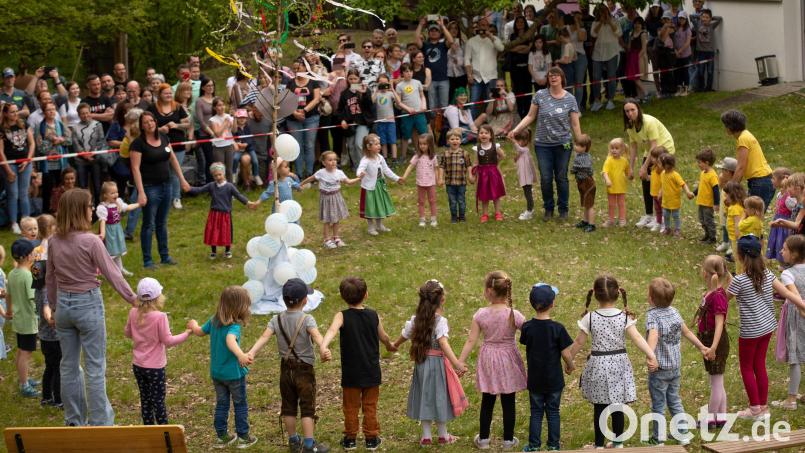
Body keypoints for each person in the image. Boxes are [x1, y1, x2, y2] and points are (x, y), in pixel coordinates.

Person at [47, 188, 137, 425]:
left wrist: (54, 306)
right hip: (87, 304)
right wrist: (134, 299)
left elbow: (50, 277)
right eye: (88, 206)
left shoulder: (54, 241)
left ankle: (74, 420)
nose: (92, 211)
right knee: (95, 367)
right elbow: (113, 274)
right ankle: (100, 423)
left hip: (64, 307)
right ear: (79, 210)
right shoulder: (91, 241)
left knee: (68, 365)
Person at [567, 275, 658, 448]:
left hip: (598, 366)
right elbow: (638, 338)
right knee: (618, 406)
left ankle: (599, 445)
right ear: (618, 293)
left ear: (594, 294)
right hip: (619, 366)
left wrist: (568, 359)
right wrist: (651, 355)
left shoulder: (591, 317)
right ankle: (618, 444)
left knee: (599, 408)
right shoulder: (624, 317)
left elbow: (579, 342)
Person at [246, 279, 331, 453]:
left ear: (283, 299)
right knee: (307, 408)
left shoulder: (276, 320)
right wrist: (323, 349)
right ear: (305, 300)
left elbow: (263, 337)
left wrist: (252, 352)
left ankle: (293, 441)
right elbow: (317, 336)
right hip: (304, 370)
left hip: (285, 369)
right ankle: (309, 445)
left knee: (288, 406)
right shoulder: (307, 319)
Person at [727, 235, 804, 419]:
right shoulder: (768, 275)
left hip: (750, 332)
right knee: (759, 365)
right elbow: (786, 292)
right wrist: (802, 304)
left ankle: (754, 410)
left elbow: (723, 298)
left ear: (740, 256)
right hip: (767, 327)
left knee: (746, 367)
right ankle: (764, 408)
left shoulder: (739, 280)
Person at [320, 277, 396, 451]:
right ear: (366, 295)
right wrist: (389, 345)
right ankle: (371, 439)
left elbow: (332, 330)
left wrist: (324, 346)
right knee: (370, 406)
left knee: (350, 407)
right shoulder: (373, 315)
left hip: (351, 373)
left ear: (342, 297)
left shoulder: (342, 316)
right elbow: (383, 336)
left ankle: (350, 439)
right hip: (371, 371)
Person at [391, 280, 468, 447]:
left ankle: (426, 437)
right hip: (438, 366)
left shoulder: (415, 320)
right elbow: (443, 343)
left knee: (424, 396)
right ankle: (443, 435)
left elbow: (404, 335)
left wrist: (394, 345)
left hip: (421, 364)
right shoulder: (441, 321)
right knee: (439, 397)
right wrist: (456, 363)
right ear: (442, 299)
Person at [457, 271, 527, 450]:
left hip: (489, 359)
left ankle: (484, 440)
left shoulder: (481, 314)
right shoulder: (515, 315)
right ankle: (508, 441)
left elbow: (471, 340)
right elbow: (529, 334)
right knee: (508, 401)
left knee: (487, 400)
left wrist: (460, 361)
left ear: (488, 291)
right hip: (508, 358)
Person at [187, 286, 257, 449]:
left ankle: (222, 436)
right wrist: (241, 355)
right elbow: (230, 340)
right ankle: (243, 437)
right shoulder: (233, 327)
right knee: (240, 404)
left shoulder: (214, 320)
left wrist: (193, 324)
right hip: (233, 375)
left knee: (222, 404)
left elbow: (199, 332)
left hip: (217, 374)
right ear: (239, 307)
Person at [510, 67, 582, 221]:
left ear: (562, 78)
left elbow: (575, 124)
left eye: (556, 75)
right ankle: (548, 208)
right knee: (546, 177)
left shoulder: (570, 99)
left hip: (564, 144)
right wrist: (516, 130)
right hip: (542, 144)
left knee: (561, 177)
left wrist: (580, 141)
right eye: (550, 75)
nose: (553, 77)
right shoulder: (540, 95)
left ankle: (563, 210)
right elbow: (530, 116)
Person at [644, 278, 707, 445]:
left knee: (658, 403)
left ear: (650, 298)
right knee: (674, 399)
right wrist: (701, 347)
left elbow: (653, 335)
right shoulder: (675, 312)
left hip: (660, 369)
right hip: (675, 367)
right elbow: (686, 332)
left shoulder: (652, 315)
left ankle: (658, 439)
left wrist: (651, 356)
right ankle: (683, 433)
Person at [124, 278, 191, 425]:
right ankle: (164, 431)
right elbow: (168, 341)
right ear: (158, 297)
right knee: (158, 401)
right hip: (155, 368)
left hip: (138, 365)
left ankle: (149, 429)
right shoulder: (160, 317)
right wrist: (187, 333)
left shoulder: (133, 312)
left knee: (145, 399)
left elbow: (128, 333)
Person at [130, 111, 191, 269]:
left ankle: (165, 256)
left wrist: (182, 179)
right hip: (150, 188)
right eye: (145, 122)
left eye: (151, 121)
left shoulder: (164, 138)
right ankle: (148, 260)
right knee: (148, 224)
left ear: (155, 122)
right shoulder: (138, 144)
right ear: (141, 126)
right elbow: (135, 169)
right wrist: (141, 192)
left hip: (167, 185)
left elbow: (173, 159)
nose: (149, 124)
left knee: (162, 223)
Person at [519, 283, 574, 452]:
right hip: (554, 380)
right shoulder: (557, 329)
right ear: (552, 304)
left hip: (535, 379)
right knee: (553, 412)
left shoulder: (527, 327)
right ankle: (553, 445)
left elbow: (524, 341)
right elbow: (565, 353)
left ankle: (534, 445)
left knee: (535, 412)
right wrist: (570, 365)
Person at [623, 100, 675, 229]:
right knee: (645, 181)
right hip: (651, 151)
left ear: (638, 109)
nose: (630, 113)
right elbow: (633, 147)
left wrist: (644, 167)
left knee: (659, 181)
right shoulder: (630, 126)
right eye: (627, 111)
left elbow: (654, 145)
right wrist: (631, 168)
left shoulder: (649, 122)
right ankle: (649, 214)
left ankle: (662, 216)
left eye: (632, 110)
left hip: (664, 149)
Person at [188, 162, 255, 259]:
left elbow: (238, 195)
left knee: (226, 232)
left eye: (220, 174)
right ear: (213, 176)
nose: (218, 177)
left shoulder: (229, 186)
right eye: (215, 176)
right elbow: (200, 190)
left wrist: (248, 203)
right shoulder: (211, 186)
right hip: (214, 214)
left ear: (223, 174)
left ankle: (227, 250)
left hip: (225, 215)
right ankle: (213, 251)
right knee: (213, 232)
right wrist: (189, 188)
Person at [695, 255, 731, 428]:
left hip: (715, 342)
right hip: (709, 340)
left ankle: (709, 419)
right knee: (717, 380)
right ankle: (722, 417)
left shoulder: (717, 295)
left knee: (716, 382)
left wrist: (713, 347)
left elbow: (719, 324)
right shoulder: (711, 293)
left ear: (705, 273)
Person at [298, 152, 360, 249]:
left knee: (336, 219)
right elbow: (311, 178)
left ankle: (336, 237)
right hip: (326, 199)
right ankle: (326, 239)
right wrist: (301, 183)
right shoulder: (321, 173)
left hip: (336, 197)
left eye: (335, 159)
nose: (333, 162)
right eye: (330, 160)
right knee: (327, 220)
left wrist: (359, 178)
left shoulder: (339, 173)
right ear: (324, 162)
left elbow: (348, 182)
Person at [771, 235, 805, 410]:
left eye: (784, 249)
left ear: (794, 254)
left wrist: (801, 309)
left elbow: (794, 295)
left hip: (797, 317)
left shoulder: (787, 274)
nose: (781, 251)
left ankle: (791, 400)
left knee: (795, 357)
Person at [720, 110, 774, 210]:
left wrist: (731, 192)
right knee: (752, 218)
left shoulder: (743, 139)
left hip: (760, 182)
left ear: (731, 126)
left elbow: (740, 168)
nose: (725, 128)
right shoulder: (746, 135)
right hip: (763, 181)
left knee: (753, 219)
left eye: (725, 125)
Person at [7, 238, 40, 398]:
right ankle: (24, 384)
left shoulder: (12, 273)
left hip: (19, 318)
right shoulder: (27, 276)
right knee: (26, 353)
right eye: (33, 252)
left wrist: (8, 311)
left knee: (21, 351)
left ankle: (24, 378)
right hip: (28, 320)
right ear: (28, 256)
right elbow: (33, 297)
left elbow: (8, 295)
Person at [357, 134, 403, 236]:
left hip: (379, 185)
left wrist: (397, 178)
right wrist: (360, 174)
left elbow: (386, 170)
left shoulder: (380, 158)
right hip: (369, 187)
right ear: (369, 147)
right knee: (371, 207)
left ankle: (379, 225)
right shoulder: (365, 160)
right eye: (376, 144)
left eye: (379, 144)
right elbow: (360, 169)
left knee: (379, 205)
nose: (379, 146)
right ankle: (370, 227)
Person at [0, 102, 36, 233]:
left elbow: (31, 144)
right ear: (5, 113)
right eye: (12, 112)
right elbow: (0, 151)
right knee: (13, 193)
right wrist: (8, 170)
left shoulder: (24, 124)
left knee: (24, 192)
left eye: (17, 111)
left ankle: (26, 220)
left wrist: (27, 161)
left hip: (25, 162)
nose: (15, 114)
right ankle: (14, 223)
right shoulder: (2, 129)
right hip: (9, 163)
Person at [286, 59, 321, 179]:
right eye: (294, 69)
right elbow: (286, 100)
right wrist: (294, 112)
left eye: (298, 68)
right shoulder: (290, 83)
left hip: (311, 117)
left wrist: (304, 110)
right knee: (297, 146)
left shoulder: (313, 81)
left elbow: (317, 98)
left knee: (309, 145)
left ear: (305, 68)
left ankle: (310, 174)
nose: (296, 71)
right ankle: (299, 175)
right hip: (293, 119)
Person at [36, 101, 72, 214]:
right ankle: (47, 213)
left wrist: (61, 140)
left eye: (53, 109)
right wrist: (52, 142)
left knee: (61, 188)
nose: (51, 112)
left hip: (61, 163)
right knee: (47, 190)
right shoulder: (40, 127)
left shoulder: (60, 124)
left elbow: (69, 140)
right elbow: (40, 147)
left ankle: (63, 211)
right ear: (44, 112)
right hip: (47, 164)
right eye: (48, 110)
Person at [97, 181, 140, 276]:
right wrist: (103, 234)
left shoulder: (118, 203)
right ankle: (101, 270)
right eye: (112, 193)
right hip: (109, 232)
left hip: (117, 230)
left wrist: (139, 204)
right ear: (105, 195)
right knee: (110, 253)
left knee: (117, 251)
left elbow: (128, 207)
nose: (115, 194)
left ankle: (119, 269)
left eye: (116, 192)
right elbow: (103, 222)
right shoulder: (103, 207)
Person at [465, 18, 504, 117]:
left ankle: (490, 126)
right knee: (473, 102)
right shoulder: (471, 41)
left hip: (491, 77)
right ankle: (472, 126)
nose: (483, 27)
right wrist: (469, 75)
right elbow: (467, 59)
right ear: (478, 27)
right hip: (476, 78)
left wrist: (490, 36)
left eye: (485, 25)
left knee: (491, 102)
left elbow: (501, 48)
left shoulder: (494, 39)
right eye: (481, 25)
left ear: (488, 27)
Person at [70, 103, 106, 207]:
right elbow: (76, 144)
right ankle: (85, 206)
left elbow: (101, 141)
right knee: (83, 185)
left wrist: (93, 153)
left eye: (86, 113)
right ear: (78, 115)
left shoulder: (98, 125)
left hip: (96, 158)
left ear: (90, 112)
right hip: (81, 160)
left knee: (97, 185)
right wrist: (85, 156)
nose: (85, 115)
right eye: (82, 114)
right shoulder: (75, 128)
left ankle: (100, 206)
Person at [338, 69, 374, 171]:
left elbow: (370, 106)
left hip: (362, 122)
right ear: (347, 79)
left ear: (359, 79)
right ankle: (356, 165)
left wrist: (364, 94)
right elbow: (340, 110)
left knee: (359, 144)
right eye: (350, 79)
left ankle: (363, 167)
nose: (353, 81)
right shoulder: (344, 93)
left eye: (355, 78)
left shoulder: (364, 90)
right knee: (351, 146)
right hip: (350, 123)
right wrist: (342, 120)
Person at [416, 17, 454, 112]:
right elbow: (416, 39)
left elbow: (451, 41)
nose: (434, 32)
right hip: (430, 80)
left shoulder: (443, 45)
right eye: (431, 30)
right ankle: (434, 125)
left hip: (443, 79)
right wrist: (420, 25)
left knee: (444, 105)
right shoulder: (425, 45)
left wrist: (442, 26)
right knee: (432, 105)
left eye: (436, 30)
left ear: (440, 33)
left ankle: (443, 124)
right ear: (428, 33)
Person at [589, 4, 622, 111]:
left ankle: (610, 100)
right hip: (598, 54)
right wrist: (601, 23)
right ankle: (597, 101)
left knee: (611, 77)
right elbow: (593, 34)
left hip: (612, 52)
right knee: (596, 77)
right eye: (601, 12)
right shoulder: (595, 23)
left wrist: (609, 23)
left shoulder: (615, 21)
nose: (603, 14)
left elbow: (618, 33)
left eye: (604, 11)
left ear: (608, 12)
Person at [402, 133, 439, 227]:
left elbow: (436, 169)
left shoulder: (433, 157)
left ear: (430, 144)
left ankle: (433, 219)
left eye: (425, 144)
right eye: (420, 144)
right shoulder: (417, 156)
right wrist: (404, 177)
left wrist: (438, 179)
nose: (422, 146)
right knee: (421, 201)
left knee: (432, 201)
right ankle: (422, 219)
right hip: (420, 183)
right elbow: (410, 167)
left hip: (431, 183)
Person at [438, 128, 473, 223]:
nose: (455, 141)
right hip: (450, 183)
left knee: (461, 200)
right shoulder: (445, 154)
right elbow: (441, 167)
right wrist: (440, 178)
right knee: (452, 201)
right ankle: (454, 217)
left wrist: (470, 175)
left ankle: (462, 217)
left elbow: (469, 165)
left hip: (461, 182)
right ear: (448, 141)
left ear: (461, 141)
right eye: (452, 139)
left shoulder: (464, 153)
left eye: (457, 139)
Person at [396, 63, 429, 164]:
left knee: (423, 133)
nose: (409, 73)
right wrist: (407, 109)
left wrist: (423, 106)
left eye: (410, 71)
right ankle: (403, 156)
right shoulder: (399, 86)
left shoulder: (417, 82)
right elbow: (398, 102)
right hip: (407, 115)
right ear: (402, 73)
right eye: (406, 71)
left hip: (419, 113)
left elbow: (422, 96)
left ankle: (427, 153)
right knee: (406, 135)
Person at [473, 124, 506, 223]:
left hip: (493, 173)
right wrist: (474, 173)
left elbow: (502, 156)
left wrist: (496, 162)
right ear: (478, 135)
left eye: (486, 133)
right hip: (482, 173)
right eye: (481, 133)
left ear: (491, 135)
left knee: (496, 194)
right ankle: (485, 214)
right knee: (484, 194)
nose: (483, 135)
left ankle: (497, 212)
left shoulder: (495, 146)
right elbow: (476, 162)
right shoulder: (477, 148)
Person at [658, 153, 693, 237]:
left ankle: (677, 229)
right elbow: (663, 185)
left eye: (660, 163)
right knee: (666, 215)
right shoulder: (662, 174)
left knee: (675, 215)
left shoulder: (675, 175)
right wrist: (660, 192)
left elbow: (683, 184)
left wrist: (688, 192)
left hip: (674, 200)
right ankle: (667, 228)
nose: (658, 165)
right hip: (666, 201)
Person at [693, 148, 721, 244]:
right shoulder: (703, 173)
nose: (698, 164)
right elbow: (701, 185)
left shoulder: (712, 175)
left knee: (709, 220)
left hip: (708, 204)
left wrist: (716, 203)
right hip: (701, 202)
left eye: (700, 162)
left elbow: (716, 190)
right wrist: (694, 193)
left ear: (707, 163)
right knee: (702, 220)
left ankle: (712, 238)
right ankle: (707, 234)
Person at [766, 168, 795, 263]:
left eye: (773, 178)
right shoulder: (780, 194)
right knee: (777, 242)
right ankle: (781, 260)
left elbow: (794, 208)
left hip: (784, 226)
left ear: (782, 179)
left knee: (782, 242)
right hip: (778, 225)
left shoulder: (790, 197)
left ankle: (786, 262)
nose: (771, 181)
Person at [509, 129, 537, 221]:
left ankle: (530, 210)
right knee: (527, 193)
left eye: (519, 140)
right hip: (524, 177)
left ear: (525, 141)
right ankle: (530, 209)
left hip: (527, 177)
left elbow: (519, 149)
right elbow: (519, 152)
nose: (517, 142)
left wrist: (513, 141)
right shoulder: (523, 151)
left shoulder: (525, 149)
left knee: (528, 193)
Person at [602, 137, 631, 227]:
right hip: (611, 186)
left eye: (616, 148)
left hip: (621, 186)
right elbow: (604, 172)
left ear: (622, 149)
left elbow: (628, 172)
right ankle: (611, 220)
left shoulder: (624, 161)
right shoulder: (609, 160)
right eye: (612, 148)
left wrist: (630, 176)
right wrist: (607, 180)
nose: (614, 150)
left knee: (621, 203)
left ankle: (622, 219)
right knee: (611, 204)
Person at [571, 134, 596, 232]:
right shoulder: (579, 155)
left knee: (589, 205)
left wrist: (574, 169)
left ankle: (592, 224)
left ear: (585, 148)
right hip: (581, 182)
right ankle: (585, 221)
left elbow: (585, 166)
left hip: (588, 183)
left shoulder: (586, 157)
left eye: (578, 145)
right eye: (575, 144)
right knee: (585, 203)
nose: (575, 147)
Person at [691, 9, 721, 92]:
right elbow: (691, 17)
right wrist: (700, 17)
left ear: (710, 19)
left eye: (707, 17)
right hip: (700, 52)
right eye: (703, 17)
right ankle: (701, 88)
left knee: (710, 71)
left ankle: (708, 88)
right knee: (701, 72)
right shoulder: (697, 25)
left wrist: (711, 18)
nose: (704, 19)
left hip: (710, 53)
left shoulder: (711, 26)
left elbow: (719, 19)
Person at [372, 74, 399, 162]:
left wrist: (392, 89)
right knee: (382, 141)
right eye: (381, 83)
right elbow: (372, 101)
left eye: (385, 83)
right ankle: (385, 158)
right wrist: (376, 90)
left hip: (391, 121)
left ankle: (395, 158)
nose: (383, 85)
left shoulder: (390, 93)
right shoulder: (377, 94)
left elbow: (398, 101)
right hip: (380, 121)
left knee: (392, 140)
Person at [208, 97, 235, 183]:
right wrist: (225, 123)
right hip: (218, 147)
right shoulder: (213, 120)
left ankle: (231, 189)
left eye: (223, 105)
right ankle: (220, 187)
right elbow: (217, 134)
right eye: (219, 105)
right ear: (214, 108)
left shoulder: (228, 116)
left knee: (229, 170)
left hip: (229, 145)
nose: (222, 107)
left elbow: (234, 130)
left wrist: (235, 118)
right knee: (220, 170)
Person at [195, 78, 217, 185]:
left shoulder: (216, 99)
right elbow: (201, 121)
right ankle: (210, 184)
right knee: (210, 160)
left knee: (217, 159)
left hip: (218, 133)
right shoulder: (199, 101)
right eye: (208, 85)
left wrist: (218, 132)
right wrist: (212, 133)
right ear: (203, 87)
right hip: (205, 135)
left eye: (212, 85)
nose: (210, 87)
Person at [672, 11, 693, 95]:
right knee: (678, 72)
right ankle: (679, 88)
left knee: (685, 72)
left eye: (683, 18)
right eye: (680, 18)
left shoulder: (688, 30)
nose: (681, 20)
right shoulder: (675, 29)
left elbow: (687, 43)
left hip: (685, 55)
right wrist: (675, 51)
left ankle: (686, 89)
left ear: (686, 19)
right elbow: (673, 40)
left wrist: (680, 51)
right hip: (677, 55)